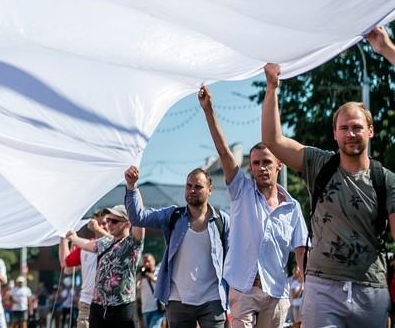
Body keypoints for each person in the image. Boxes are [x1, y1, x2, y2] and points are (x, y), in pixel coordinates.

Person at [261, 60, 395, 327]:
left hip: (371, 290)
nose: (351, 134)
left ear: (370, 131)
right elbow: (273, 140)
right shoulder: (319, 164)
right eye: (344, 128)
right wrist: (272, 88)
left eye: (357, 127)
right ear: (335, 133)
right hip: (322, 289)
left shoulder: (386, 180)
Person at [199, 84, 308, 328]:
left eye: (266, 162)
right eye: (256, 163)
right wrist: (209, 110)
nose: (261, 168)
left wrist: (309, 290)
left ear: (279, 164)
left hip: (276, 292)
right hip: (243, 288)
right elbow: (224, 152)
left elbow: (301, 251)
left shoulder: (292, 207)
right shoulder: (241, 190)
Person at [125, 165, 229, 328]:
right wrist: (132, 186)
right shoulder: (173, 215)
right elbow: (138, 218)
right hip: (178, 300)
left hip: (213, 299)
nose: (192, 190)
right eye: (189, 186)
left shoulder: (222, 220)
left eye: (198, 186)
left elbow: (232, 258)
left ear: (210, 189)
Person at [62, 205, 145, 328]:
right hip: (98, 307)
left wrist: (133, 195)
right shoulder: (105, 242)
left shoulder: (132, 243)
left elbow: (139, 218)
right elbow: (87, 245)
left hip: (122, 307)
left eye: (114, 221)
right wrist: (74, 238)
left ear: (127, 224)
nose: (109, 224)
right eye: (108, 220)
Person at [61, 210, 107, 328]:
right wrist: (63, 238)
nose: (101, 226)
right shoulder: (85, 245)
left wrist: (97, 228)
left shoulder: (118, 244)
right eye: (98, 223)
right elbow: (67, 267)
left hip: (110, 305)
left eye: (104, 223)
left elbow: (112, 241)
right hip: (87, 304)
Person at [137, 254, 162, 328]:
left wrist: (150, 276)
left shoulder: (159, 272)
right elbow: (136, 288)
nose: (147, 264)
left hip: (157, 308)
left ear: (153, 261)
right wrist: (139, 278)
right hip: (145, 309)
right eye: (145, 262)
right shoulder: (141, 275)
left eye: (148, 261)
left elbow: (160, 283)